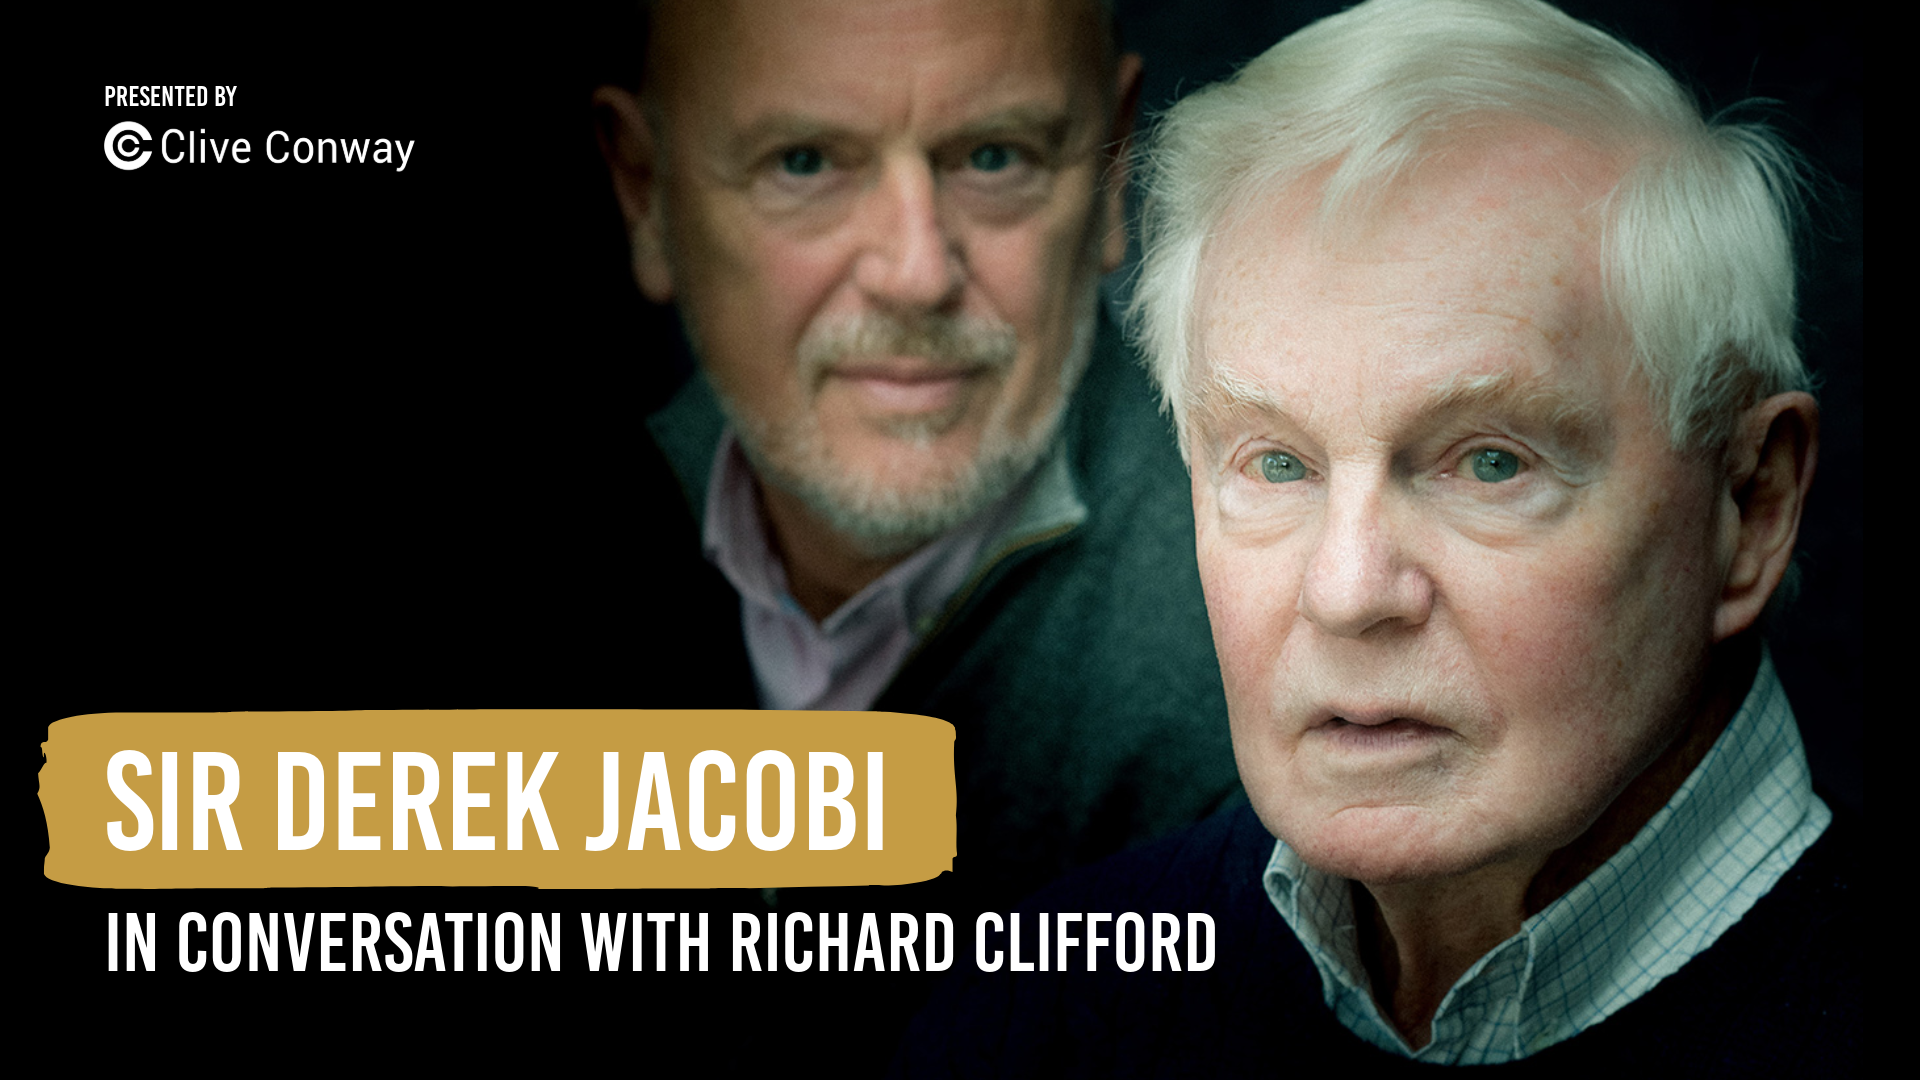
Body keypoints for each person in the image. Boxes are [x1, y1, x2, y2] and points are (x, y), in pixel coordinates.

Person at [899, 0, 1856, 1071]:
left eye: (1491, 462)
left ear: (1752, 506)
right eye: (1276, 463)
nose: (1348, 591)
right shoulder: (1039, 1016)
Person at [591, 0, 1239, 913]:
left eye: (993, 157)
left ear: (1107, 170)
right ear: (647, 193)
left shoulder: (1256, 704)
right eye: (805, 162)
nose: (917, 272)